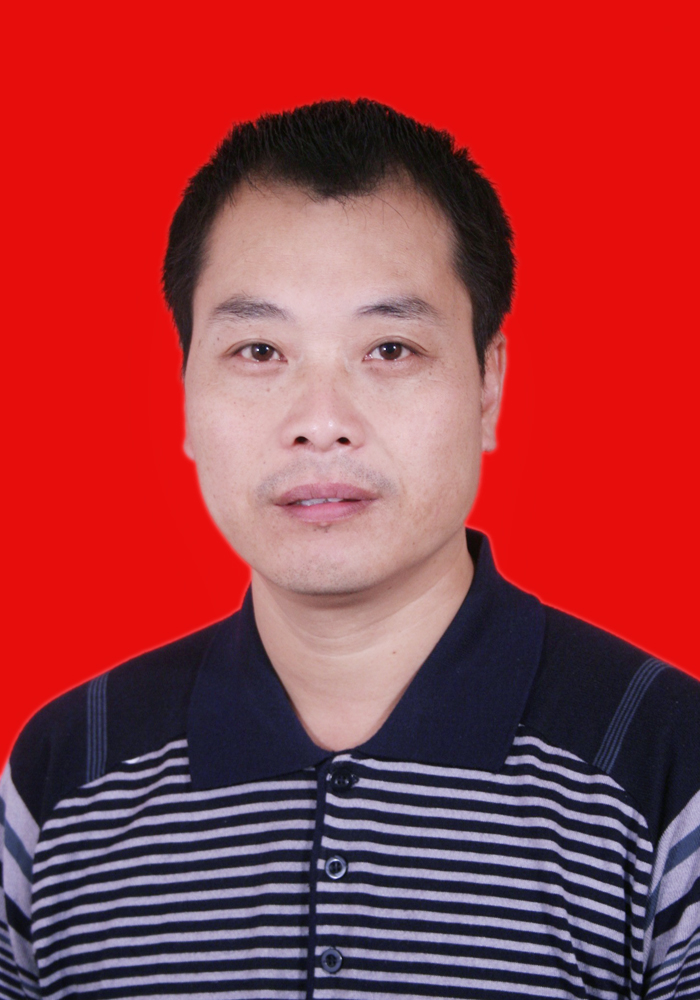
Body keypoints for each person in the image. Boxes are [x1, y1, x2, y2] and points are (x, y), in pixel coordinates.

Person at [1, 99, 698, 1000]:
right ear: (183, 392)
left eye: (391, 348)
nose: (321, 422)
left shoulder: (664, 760)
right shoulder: (67, 773)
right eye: (260, 349)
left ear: (488, 384)